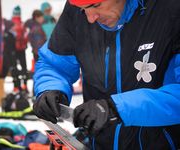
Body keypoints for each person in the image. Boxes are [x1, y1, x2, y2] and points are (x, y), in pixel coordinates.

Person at [33, 0, 180, 149]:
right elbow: (54, 64)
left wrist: (117, 108)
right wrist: (50, 88)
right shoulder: (75, 11)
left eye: (96, 5)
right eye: (83, 9)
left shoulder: (170, 9)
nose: (90, 18)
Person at [11, 5, 28, 91]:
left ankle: (16, 86)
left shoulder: (11, 24)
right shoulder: (22, 24)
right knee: (23, 67)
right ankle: (24, 85)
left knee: (14, 68)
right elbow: (26, 36)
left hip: (13, 50)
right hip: (21, 49)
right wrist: (25, 45)